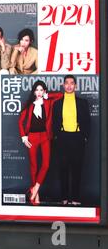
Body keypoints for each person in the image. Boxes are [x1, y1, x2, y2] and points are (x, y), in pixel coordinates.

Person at [18, 80, 63, 205]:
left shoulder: (48, 102)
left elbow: (60, 95)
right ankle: (36, 195)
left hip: (45, 136)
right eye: (37, 90)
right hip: (31, 137)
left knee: (46, 164)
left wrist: (48, 95)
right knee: (34, 166)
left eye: (41, 90)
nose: (39, 92)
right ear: (34, 91)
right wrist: (24, 137)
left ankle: (35, 188)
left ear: (44, 91)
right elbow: (20, 122)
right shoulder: (29, 105)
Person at [52, 75, 90, 206]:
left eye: (72, 83)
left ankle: (75, 198)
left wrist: (85, 137)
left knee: (77, 169)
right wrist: (57, 136)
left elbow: (87, 121)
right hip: (62, 138)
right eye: (66, 83)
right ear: (63, 85)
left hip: (78, 137)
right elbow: (54, 122)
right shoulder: (57, 104)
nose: (69, 85)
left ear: (76, 86)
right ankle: (64, 198)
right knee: (63, 169)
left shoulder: (82, 103)